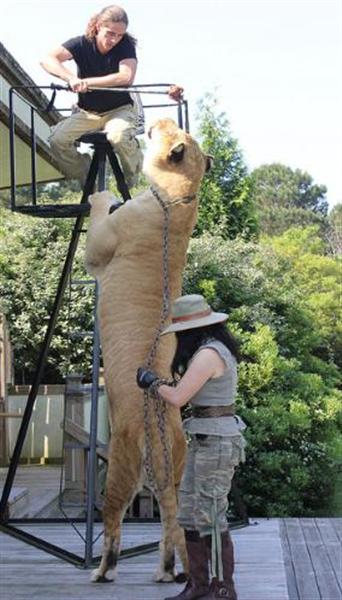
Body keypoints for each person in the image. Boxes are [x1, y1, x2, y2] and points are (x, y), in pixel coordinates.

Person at [137, 294, 246, 600]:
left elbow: (178, 397)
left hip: (216, 441)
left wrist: (152, 383)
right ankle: (199, 585)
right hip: (204, 438)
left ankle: (223, 588)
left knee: (211, 513)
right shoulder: (210, 350)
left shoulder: (209, 354)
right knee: (189, 512)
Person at [41, 5, 183, 189]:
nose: (114, 39)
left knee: (117, 137)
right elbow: (47, 59)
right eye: (110, 33)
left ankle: (133, 170)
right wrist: (70, 78)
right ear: (98, 26)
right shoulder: (80, 44)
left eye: (119, 35)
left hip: (120, 111)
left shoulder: (125, 47)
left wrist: (87, 83)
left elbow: (125, 77)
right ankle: (84, 173)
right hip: (88, 113)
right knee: (57, 140)